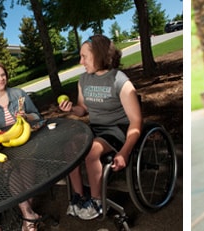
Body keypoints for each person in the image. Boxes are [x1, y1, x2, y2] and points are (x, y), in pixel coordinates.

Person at [58, 34, 142, 221]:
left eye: (84, 56)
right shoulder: (84, 80)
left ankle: (97, 202)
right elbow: (83, 109)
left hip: (117, 130)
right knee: (69, 148)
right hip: (95, 128)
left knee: (91, 151)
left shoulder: (119, 80)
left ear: (98, 54)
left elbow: (136, 121)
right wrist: (72, 108)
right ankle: (79, 198)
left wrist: (126, 152)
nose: (81, 62)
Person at [0, 61, 43, 231]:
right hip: (4, 147)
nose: (1, 79)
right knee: (12, 171)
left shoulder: (18, 94)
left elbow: (38, 117)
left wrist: (27, 116)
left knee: (27, 168)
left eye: (2, 75)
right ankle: (29, 216)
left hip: (25, 142)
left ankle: (27, 217)